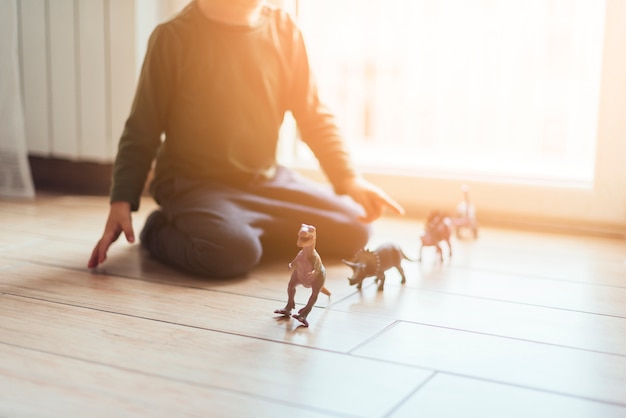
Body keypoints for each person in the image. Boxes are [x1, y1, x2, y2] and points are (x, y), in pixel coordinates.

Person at [88, 0, 404, 278]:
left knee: (355, 230)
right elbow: (141, 128)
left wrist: (348, 179)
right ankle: (161, 228)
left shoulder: (284, 31)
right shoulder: (172, 37)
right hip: (194, 185)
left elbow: (313, 115)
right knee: (229, 254)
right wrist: (122, 201)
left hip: (266, 182)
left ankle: (247, 230)